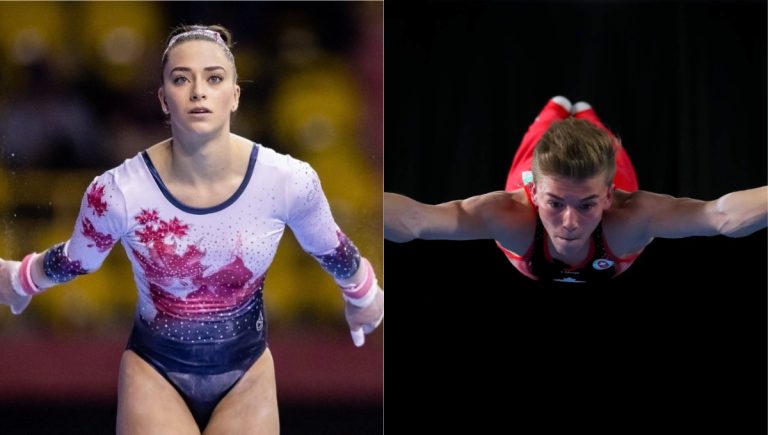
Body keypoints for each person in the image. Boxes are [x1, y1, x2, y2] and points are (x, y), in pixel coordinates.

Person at [0, 24, 384, 434]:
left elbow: (332, 249)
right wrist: (21, 279)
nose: (198, 91)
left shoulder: (286, 181)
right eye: (181, 79)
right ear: (164, 98)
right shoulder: (119, 192)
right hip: (155, 371)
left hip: (247, 374)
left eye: (214, 78)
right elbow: (79, 259)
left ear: (235, 94)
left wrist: (365, 294)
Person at [385, 96, 767, 283]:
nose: (569, 221)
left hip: (607, 200)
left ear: (607, 195)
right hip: (533, 187)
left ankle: (578, 113)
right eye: (555, 203)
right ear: (535, 195)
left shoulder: (629, 216)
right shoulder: (509, 214)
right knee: (544, 136)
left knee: (600, 145)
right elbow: (417, 220)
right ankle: (558, 110)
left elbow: (721, 215)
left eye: (586, 205)